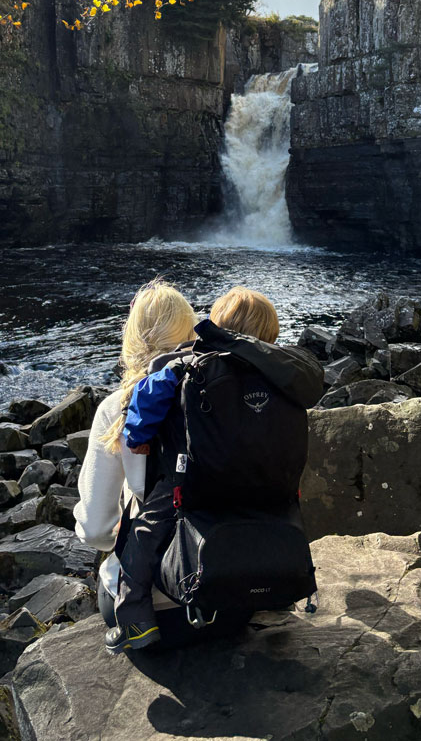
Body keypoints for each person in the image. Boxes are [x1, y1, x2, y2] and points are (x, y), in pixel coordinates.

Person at [104, 286, 323, 655]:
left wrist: (138, 435)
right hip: (264, 483)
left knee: (143, 534)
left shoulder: (189, 363)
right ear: (270, 335)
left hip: (197, 479)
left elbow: (148, 395)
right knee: (275, 523)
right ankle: (278, 593)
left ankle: (136, 621)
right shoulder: (282, 373)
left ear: (216, 326)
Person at [73, 279, 197, 629]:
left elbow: (96, 528)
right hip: (226, 595)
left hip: (156, 615)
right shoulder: (218, 397)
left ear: (132, 340)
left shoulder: (117, 408)